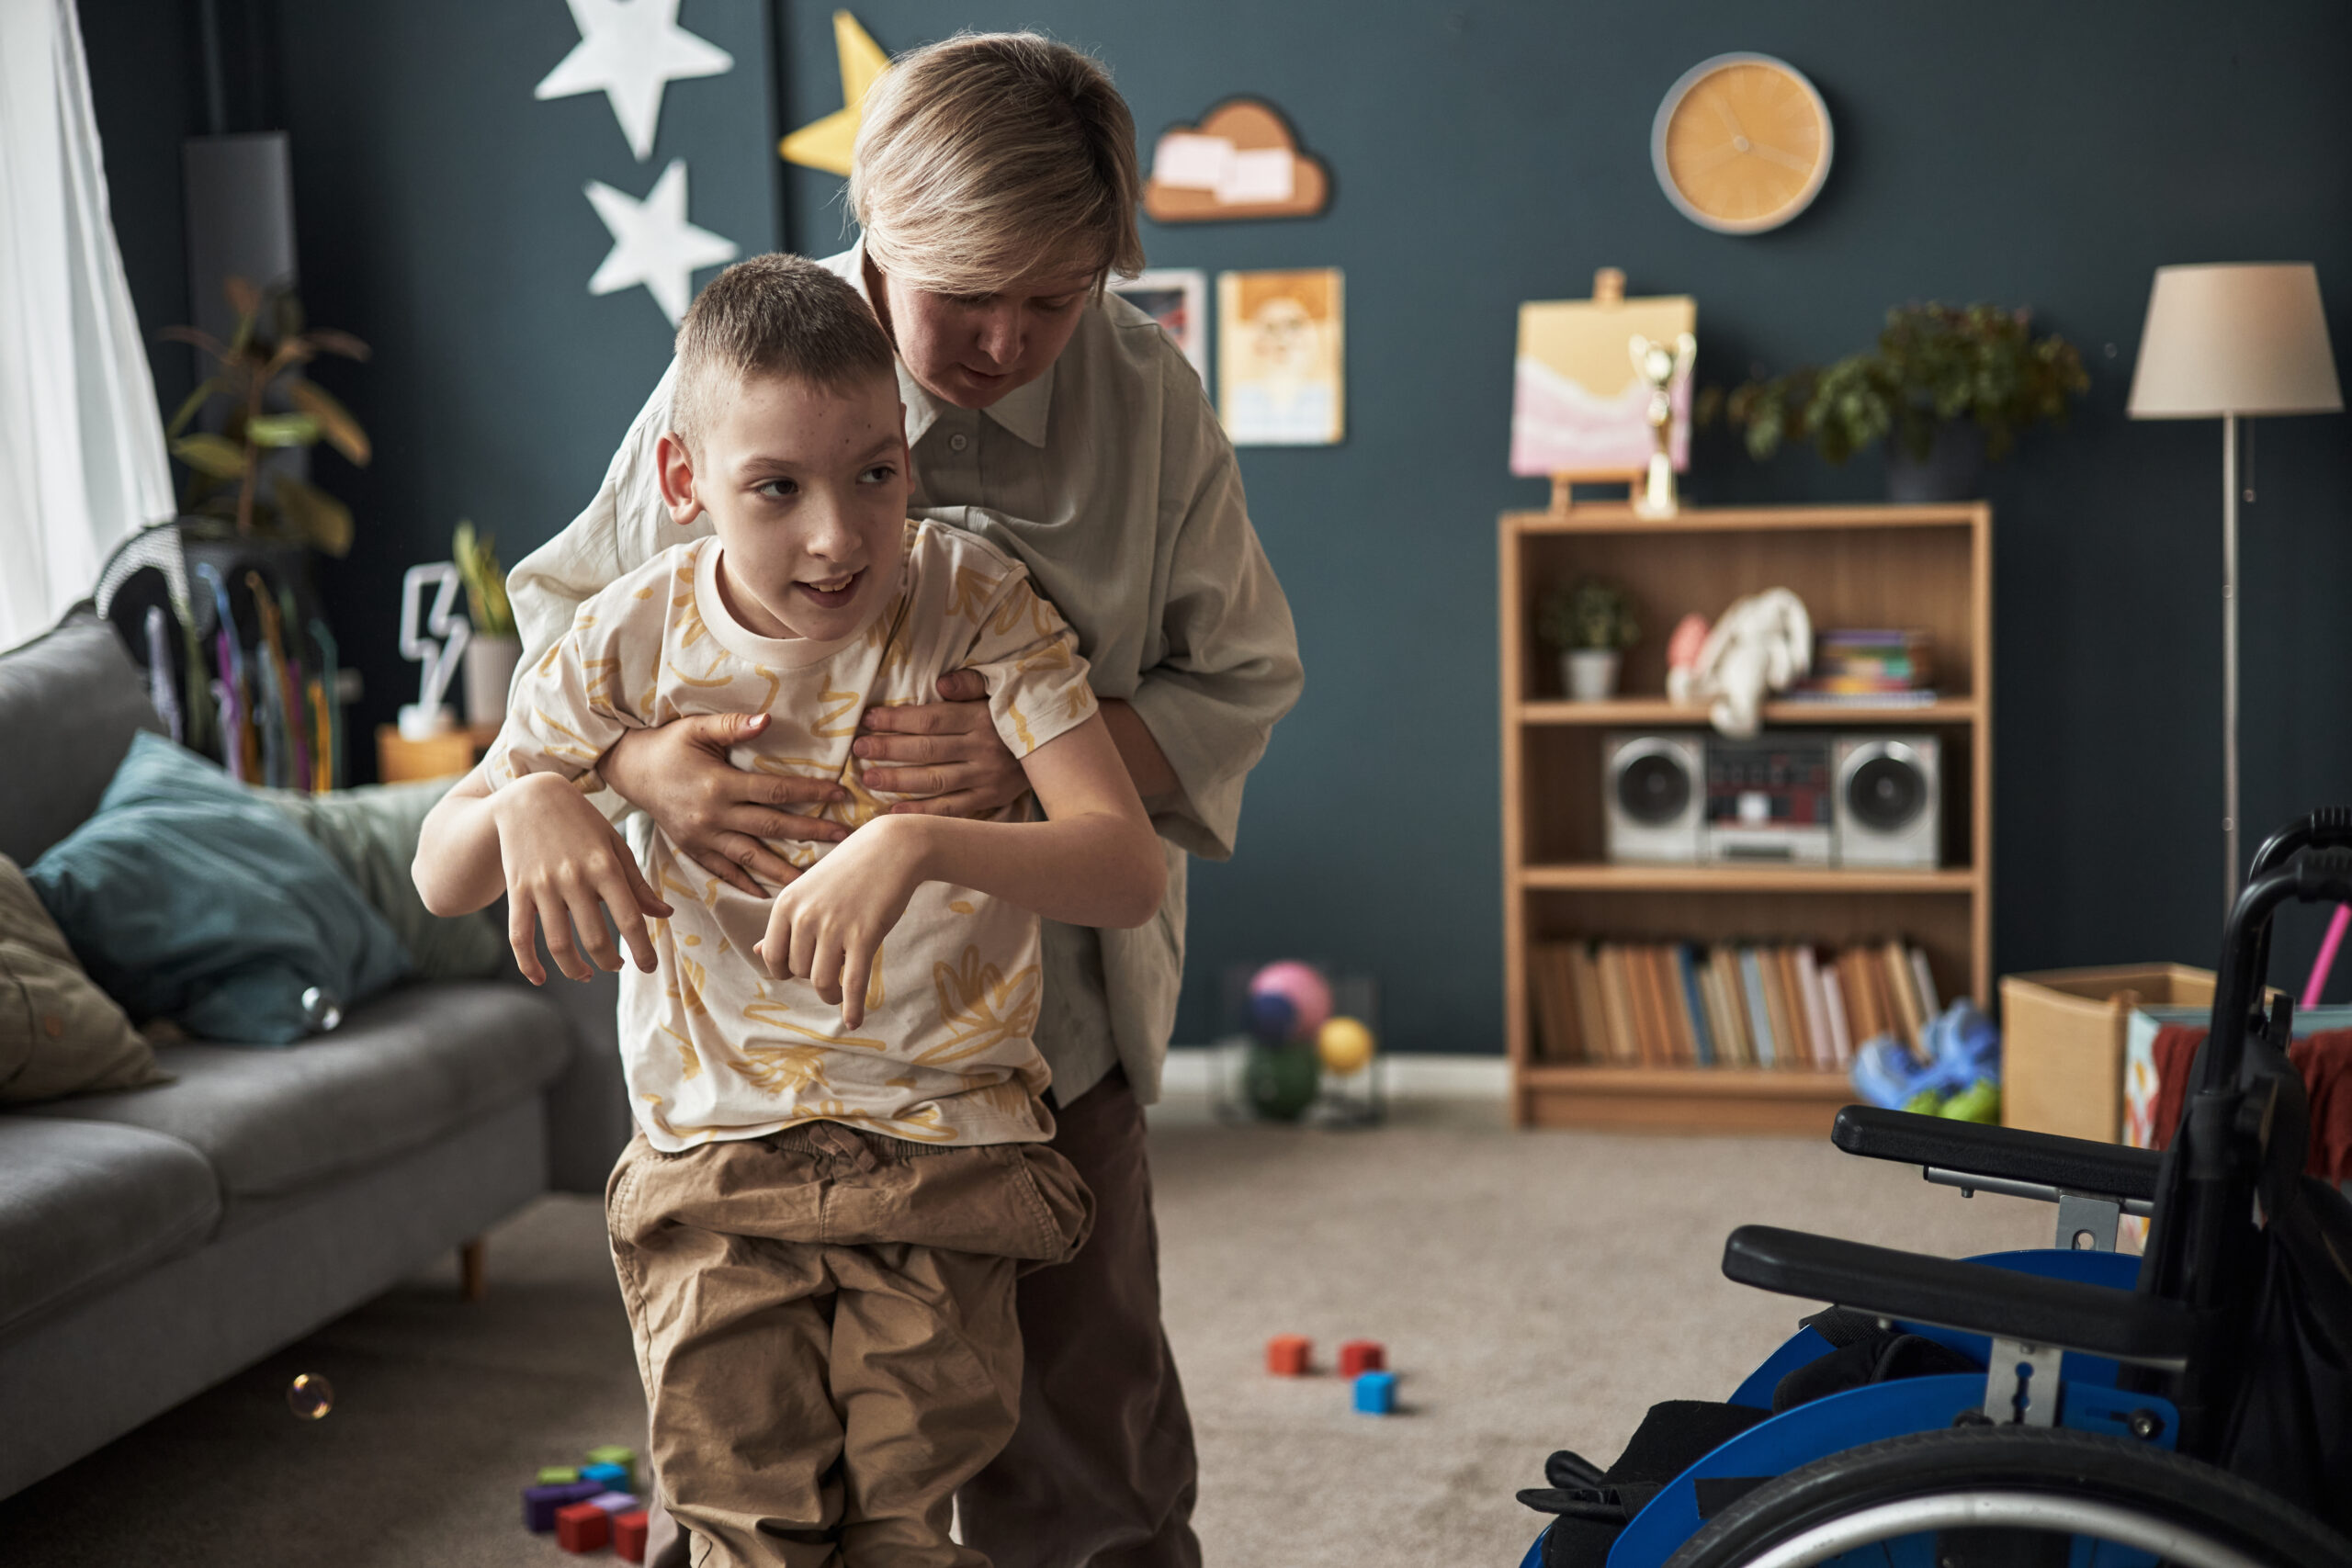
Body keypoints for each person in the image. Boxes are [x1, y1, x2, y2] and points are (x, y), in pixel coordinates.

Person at [507, 32, 1303, 1568]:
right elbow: (570, 644)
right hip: (750, 1063)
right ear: (877, 236)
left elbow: (1240, 682)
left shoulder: (1145, 394)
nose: (1004, 342)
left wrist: (1040, 758)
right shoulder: (751, 368)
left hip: (1029, 1042)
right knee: (756, 1464)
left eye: (1053, 302)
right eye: (963, 297)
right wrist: (630, 766)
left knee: (1082, 1432)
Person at [415, 253, 1171, 1566]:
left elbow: (1124, 864)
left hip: (942, 1154)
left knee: (898, 1529)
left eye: (874, 472)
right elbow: (444, 869)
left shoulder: (976, 602)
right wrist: (534, 795)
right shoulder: (623, 639)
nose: (838, 534)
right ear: (682, 483)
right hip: (714, 1166)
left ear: (909, 459)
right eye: (778, 488)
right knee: (741, 1524)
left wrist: (926, 845)